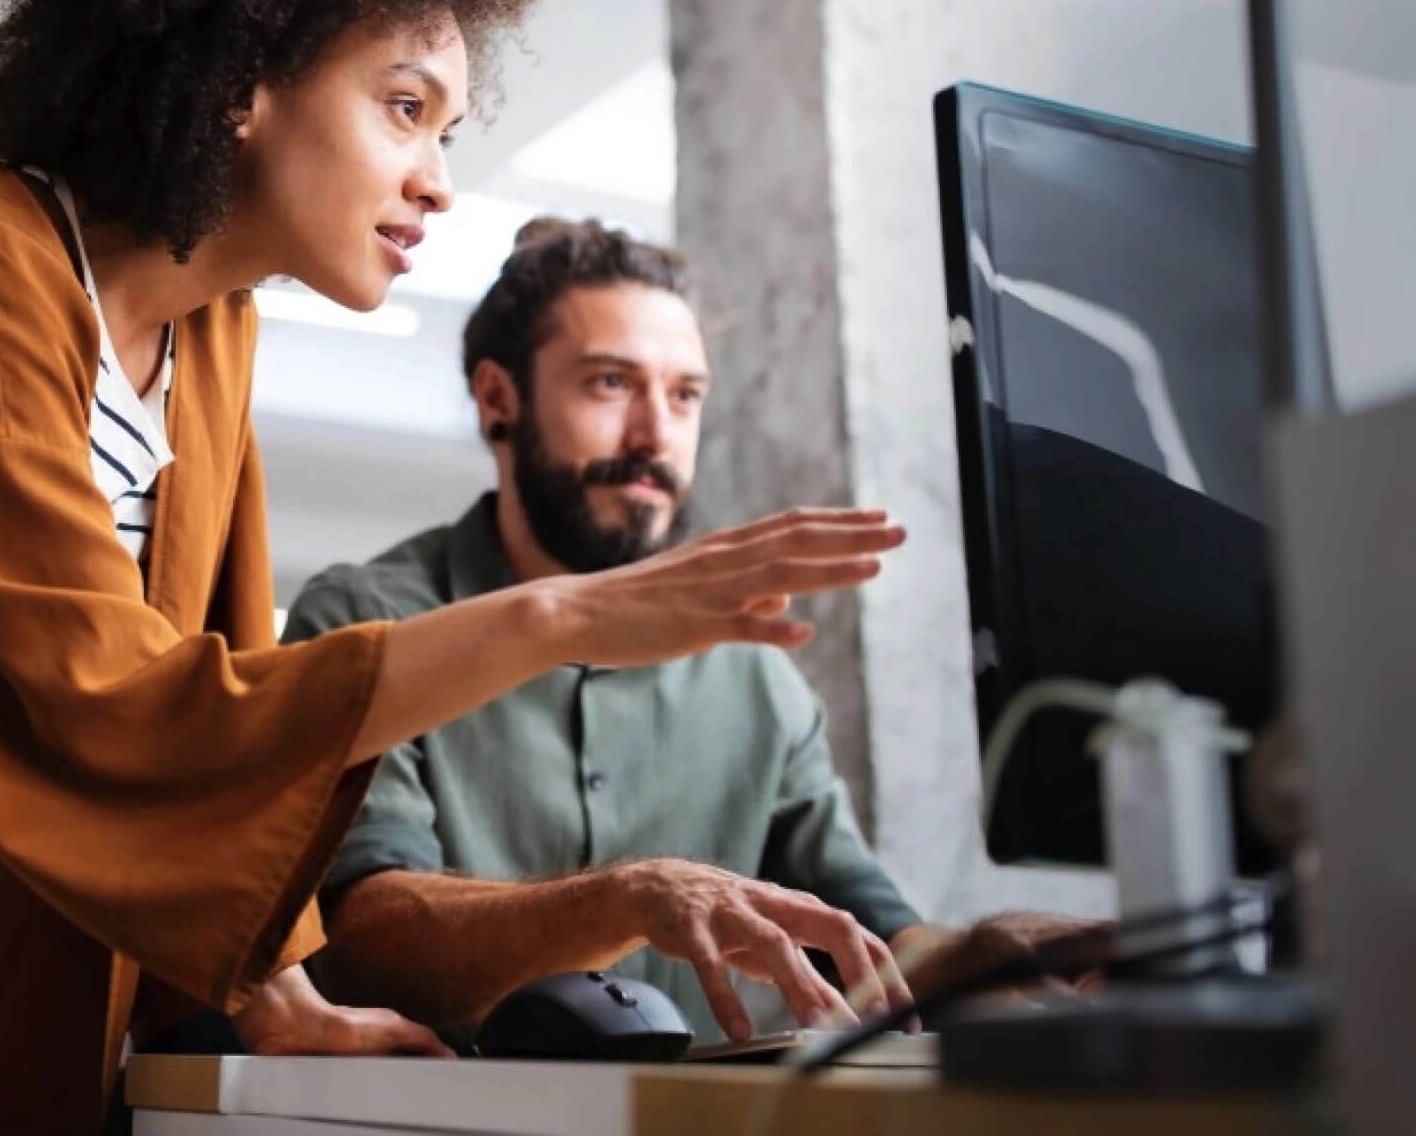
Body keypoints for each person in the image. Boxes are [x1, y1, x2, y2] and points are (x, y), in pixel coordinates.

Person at [0, 0, 908, 1133]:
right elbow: (109, 705)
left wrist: (283, 999)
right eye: (405, 107)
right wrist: (551, 618)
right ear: (244, 71)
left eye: (449, 130)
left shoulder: (214, 338)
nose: (438, 181)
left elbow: (223, 690)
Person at [286, 219, 1099, 1048]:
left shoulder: (754, 670)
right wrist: (628, 898)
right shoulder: (366, 621)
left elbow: (865, 925)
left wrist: (982, 958)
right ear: (499, 398)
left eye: (684, 395)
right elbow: (364, 944)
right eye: (611, 384)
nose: (654, 437)